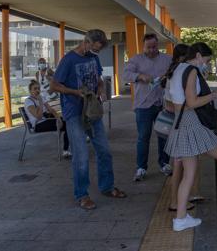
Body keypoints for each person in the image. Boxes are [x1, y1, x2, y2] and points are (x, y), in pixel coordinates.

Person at [164, 42, 217, 232]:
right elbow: (191, 102)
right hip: (192, 123)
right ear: (198, 56)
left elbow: (175, 102)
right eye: (206, 60)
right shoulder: (191, 70)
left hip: (180, 122)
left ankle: (180, 219)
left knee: (189, 174)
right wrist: (216, 95)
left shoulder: (176, 69)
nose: (206, 64)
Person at [51, 29, 126, 210]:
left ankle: (107, 186)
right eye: (95, 49)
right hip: (74, 112)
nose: (96, 53)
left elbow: (98, 78)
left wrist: (100, 87)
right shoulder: (68, 60)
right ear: (86, 42)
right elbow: (54, 85)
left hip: (91, 112)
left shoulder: (94, 57)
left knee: (104, 150)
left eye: (99, 51)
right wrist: (74, 92)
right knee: (81, 155)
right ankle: (82, 194)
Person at [124, 33, 173, 181]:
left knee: (164, 135)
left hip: (163, 104)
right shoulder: (136, 60)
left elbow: (175, 72)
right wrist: (140, 77)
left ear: (158, 45)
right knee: (143, 137)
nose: (151, 50)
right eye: (148, 47)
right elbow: (125, 74)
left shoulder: (167, 59)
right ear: (143, 46)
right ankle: (141, 167)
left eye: (154, 46)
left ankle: (164, 163)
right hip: (143, 105)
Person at [162, 44, 204, 212]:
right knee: (180, 165)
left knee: (182, 164)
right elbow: (171, 105)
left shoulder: (173, 73)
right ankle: (175, 202)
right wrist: (188, 107)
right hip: (181, 124)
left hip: (178, 123)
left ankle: (184, 197)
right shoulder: (180, 73)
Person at [25, 79, 70, 158]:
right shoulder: (28, 101)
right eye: (35, 89)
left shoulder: (41, 97)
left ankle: (66, 149)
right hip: (38, 124)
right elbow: (38, 117)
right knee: (67, 126)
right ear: (30, 91)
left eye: (38, 88)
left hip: (46, 120)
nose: (37, 91)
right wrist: (40, 102)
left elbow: (50, 109)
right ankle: (65, 150)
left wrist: (58, 118)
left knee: (67, 122)